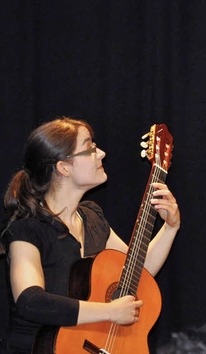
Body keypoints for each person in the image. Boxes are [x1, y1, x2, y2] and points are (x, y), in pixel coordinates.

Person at [0, 117, 181, 353]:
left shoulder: (92, 217)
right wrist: (110, 311)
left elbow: (137, 271)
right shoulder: (27, 229)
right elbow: (30, 301)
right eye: (90, 148)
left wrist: (170, 227)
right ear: (64, 167)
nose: (102, 153)